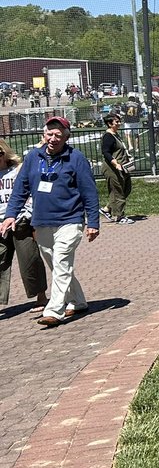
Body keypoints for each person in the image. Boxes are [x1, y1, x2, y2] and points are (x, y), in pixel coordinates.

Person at [0, 117, 100, 326]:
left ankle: (54, 310)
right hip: (42, 221)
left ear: (66, 137)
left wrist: (93, 222)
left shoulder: (76, 158)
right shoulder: (33, 157)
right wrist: (11, 214)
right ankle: (78, 301)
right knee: (58, 266)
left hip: (70, 220)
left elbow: (89, 192)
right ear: (43, 135)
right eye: (50, 134)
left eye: (58, 135)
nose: (53, 139)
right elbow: (20, 188)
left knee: (61, 260)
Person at [0, 139, 48, 314]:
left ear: (5, 153)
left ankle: (40, 297)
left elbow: (29, 193)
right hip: (0, 226)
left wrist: (26, 215)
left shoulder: (17, 170)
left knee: (30, 260)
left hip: (20, 222)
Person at [99, 113, 135, 224]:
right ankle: (120, 216)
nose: (119, 123)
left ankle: (107, 209)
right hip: (112, 168)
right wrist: (115, 164)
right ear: (110, 124)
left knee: (126, 188)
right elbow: (106, 152)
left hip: (123, 167)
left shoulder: (116, 134)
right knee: (118, 191)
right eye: (116, 122)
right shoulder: (108, 136)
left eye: (119, 121)